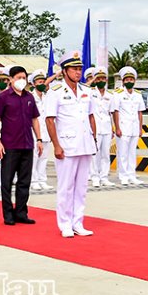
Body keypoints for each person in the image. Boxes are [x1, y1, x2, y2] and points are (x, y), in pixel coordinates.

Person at [45, 51, 97, 238]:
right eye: (74, 69)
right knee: (66, 186)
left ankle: (78, 222)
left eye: (79, 69)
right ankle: (65, 224)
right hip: (66, 145)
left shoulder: (86, 91)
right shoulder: (56, 92)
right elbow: (50, 120)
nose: (78, 72)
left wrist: (95, 139)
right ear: (64, 71)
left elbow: (91, 116)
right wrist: (56, 146)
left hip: (85, 144)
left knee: (81, 187)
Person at [0, 66, 42, 225]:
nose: (22, 81)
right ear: (11, 79)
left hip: (27, 144)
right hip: (9, 144)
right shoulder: (3, 97)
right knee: (6, 181)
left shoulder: (29, 97)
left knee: (24, 181)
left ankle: (21, 212)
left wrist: (39, 139)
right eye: (19, 77)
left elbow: (35, 119)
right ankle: (8, 214)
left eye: (24, 77)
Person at [112, 66, 145, 185]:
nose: (129, 81)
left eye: (131, 79)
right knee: (122, 152)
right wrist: (117, 128)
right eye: (127, 80)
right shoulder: (118, 94)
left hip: (134, 127)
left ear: (134, 81)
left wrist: (140, 128)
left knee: (132, 152)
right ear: (123, 81)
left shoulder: (138, 94)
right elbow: (115, 111)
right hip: (123, 127)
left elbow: (140, 112)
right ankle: (123, 175)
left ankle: (132, 175)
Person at [89, 67, 116, 187]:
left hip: (106, 127)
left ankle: (104, 177)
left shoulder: (110, 95)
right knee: (95, 153)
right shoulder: (90, 93)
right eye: (98, 78)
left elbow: (112, 113)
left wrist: (114, 128)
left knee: (105, 154)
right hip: (94, 127)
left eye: (103, 78)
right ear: (95, 79)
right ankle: (94, 177)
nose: (101, 80)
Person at [29, 69, 55, 191]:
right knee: (34, 157)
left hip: (46, 131)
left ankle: (42, 179)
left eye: (43, 81)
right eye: (39, 81)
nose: (42, 84)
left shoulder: (47, 96)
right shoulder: (30, 97)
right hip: (33, 132)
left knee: (44, 157)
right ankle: (33, 180)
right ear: (33, 84)